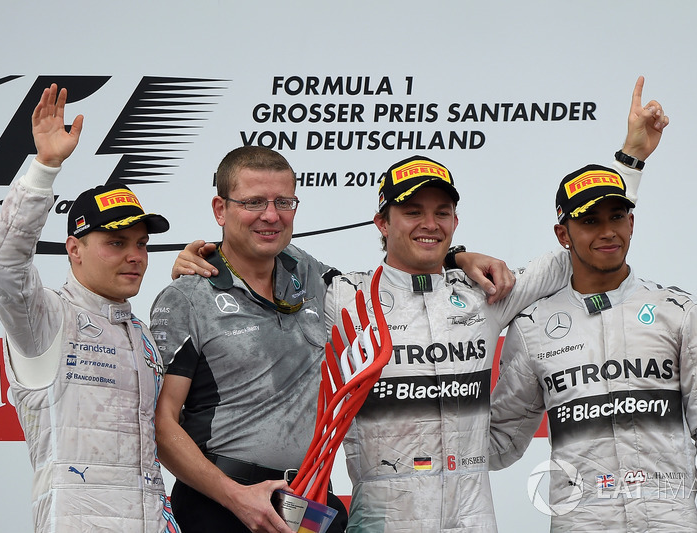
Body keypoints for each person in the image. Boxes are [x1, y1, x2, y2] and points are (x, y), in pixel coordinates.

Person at [169, 76, 668, 532]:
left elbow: (572, 255)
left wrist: (631, 158)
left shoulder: (485, 292)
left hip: (474, 518)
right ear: (382, 222)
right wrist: (207, 255)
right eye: (411, 212)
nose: (428, 223)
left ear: (455, 221)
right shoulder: (341, 295)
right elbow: (263, 245)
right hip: (382, 517)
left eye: (442, 212)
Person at [152, 149, 515, 532]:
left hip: (306, 499)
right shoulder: (187, 297)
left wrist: (456, 257)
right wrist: (235, 497)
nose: (271, 215)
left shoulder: (312, 276)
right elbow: (161, 424)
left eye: (284, 202)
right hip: (223, 503)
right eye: (254, 202)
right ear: (220, 210)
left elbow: (401, 274)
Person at [488, 164, 697, 532]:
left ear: (632, 223)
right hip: (580, 522)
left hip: (670, 521)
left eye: (617, 216)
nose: (608, 231)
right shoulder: (532, 327)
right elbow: (500, 440)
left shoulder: (678, 311)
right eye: (590, 221)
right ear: (563, 234)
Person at [0, 84, 179, 532]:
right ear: (74, 249)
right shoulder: (48, 319)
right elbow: (3, 267)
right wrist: (44, 168)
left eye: (142, 244)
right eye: (115, 242)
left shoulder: (142, 333)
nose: (135, 255)